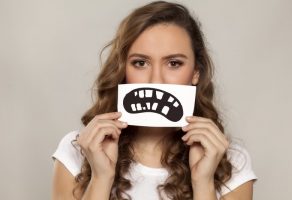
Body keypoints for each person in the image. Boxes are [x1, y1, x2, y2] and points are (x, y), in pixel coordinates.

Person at [51, 1, 257, 200]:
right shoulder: (78, 149)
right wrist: (101, 177)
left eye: (174, 63)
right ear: (123, 70)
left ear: (196, 73)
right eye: (140, 63)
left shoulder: (231, 161)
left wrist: (203, 183)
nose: (156, 80)